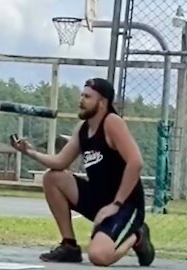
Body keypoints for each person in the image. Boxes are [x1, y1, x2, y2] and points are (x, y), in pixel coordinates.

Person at [10, 78, 155, 267]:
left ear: (102, 102)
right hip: (98, 199)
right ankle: (69, 246)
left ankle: (137, 235)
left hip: (125, 205)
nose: (81, 100)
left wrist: (116, 204)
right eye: (82, 95)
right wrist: (30, 152)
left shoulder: (112, 122)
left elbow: (136, 163)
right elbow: (60, 162)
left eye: (87, 97)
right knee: (53, 177)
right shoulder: (83, 128)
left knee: (99, 257)